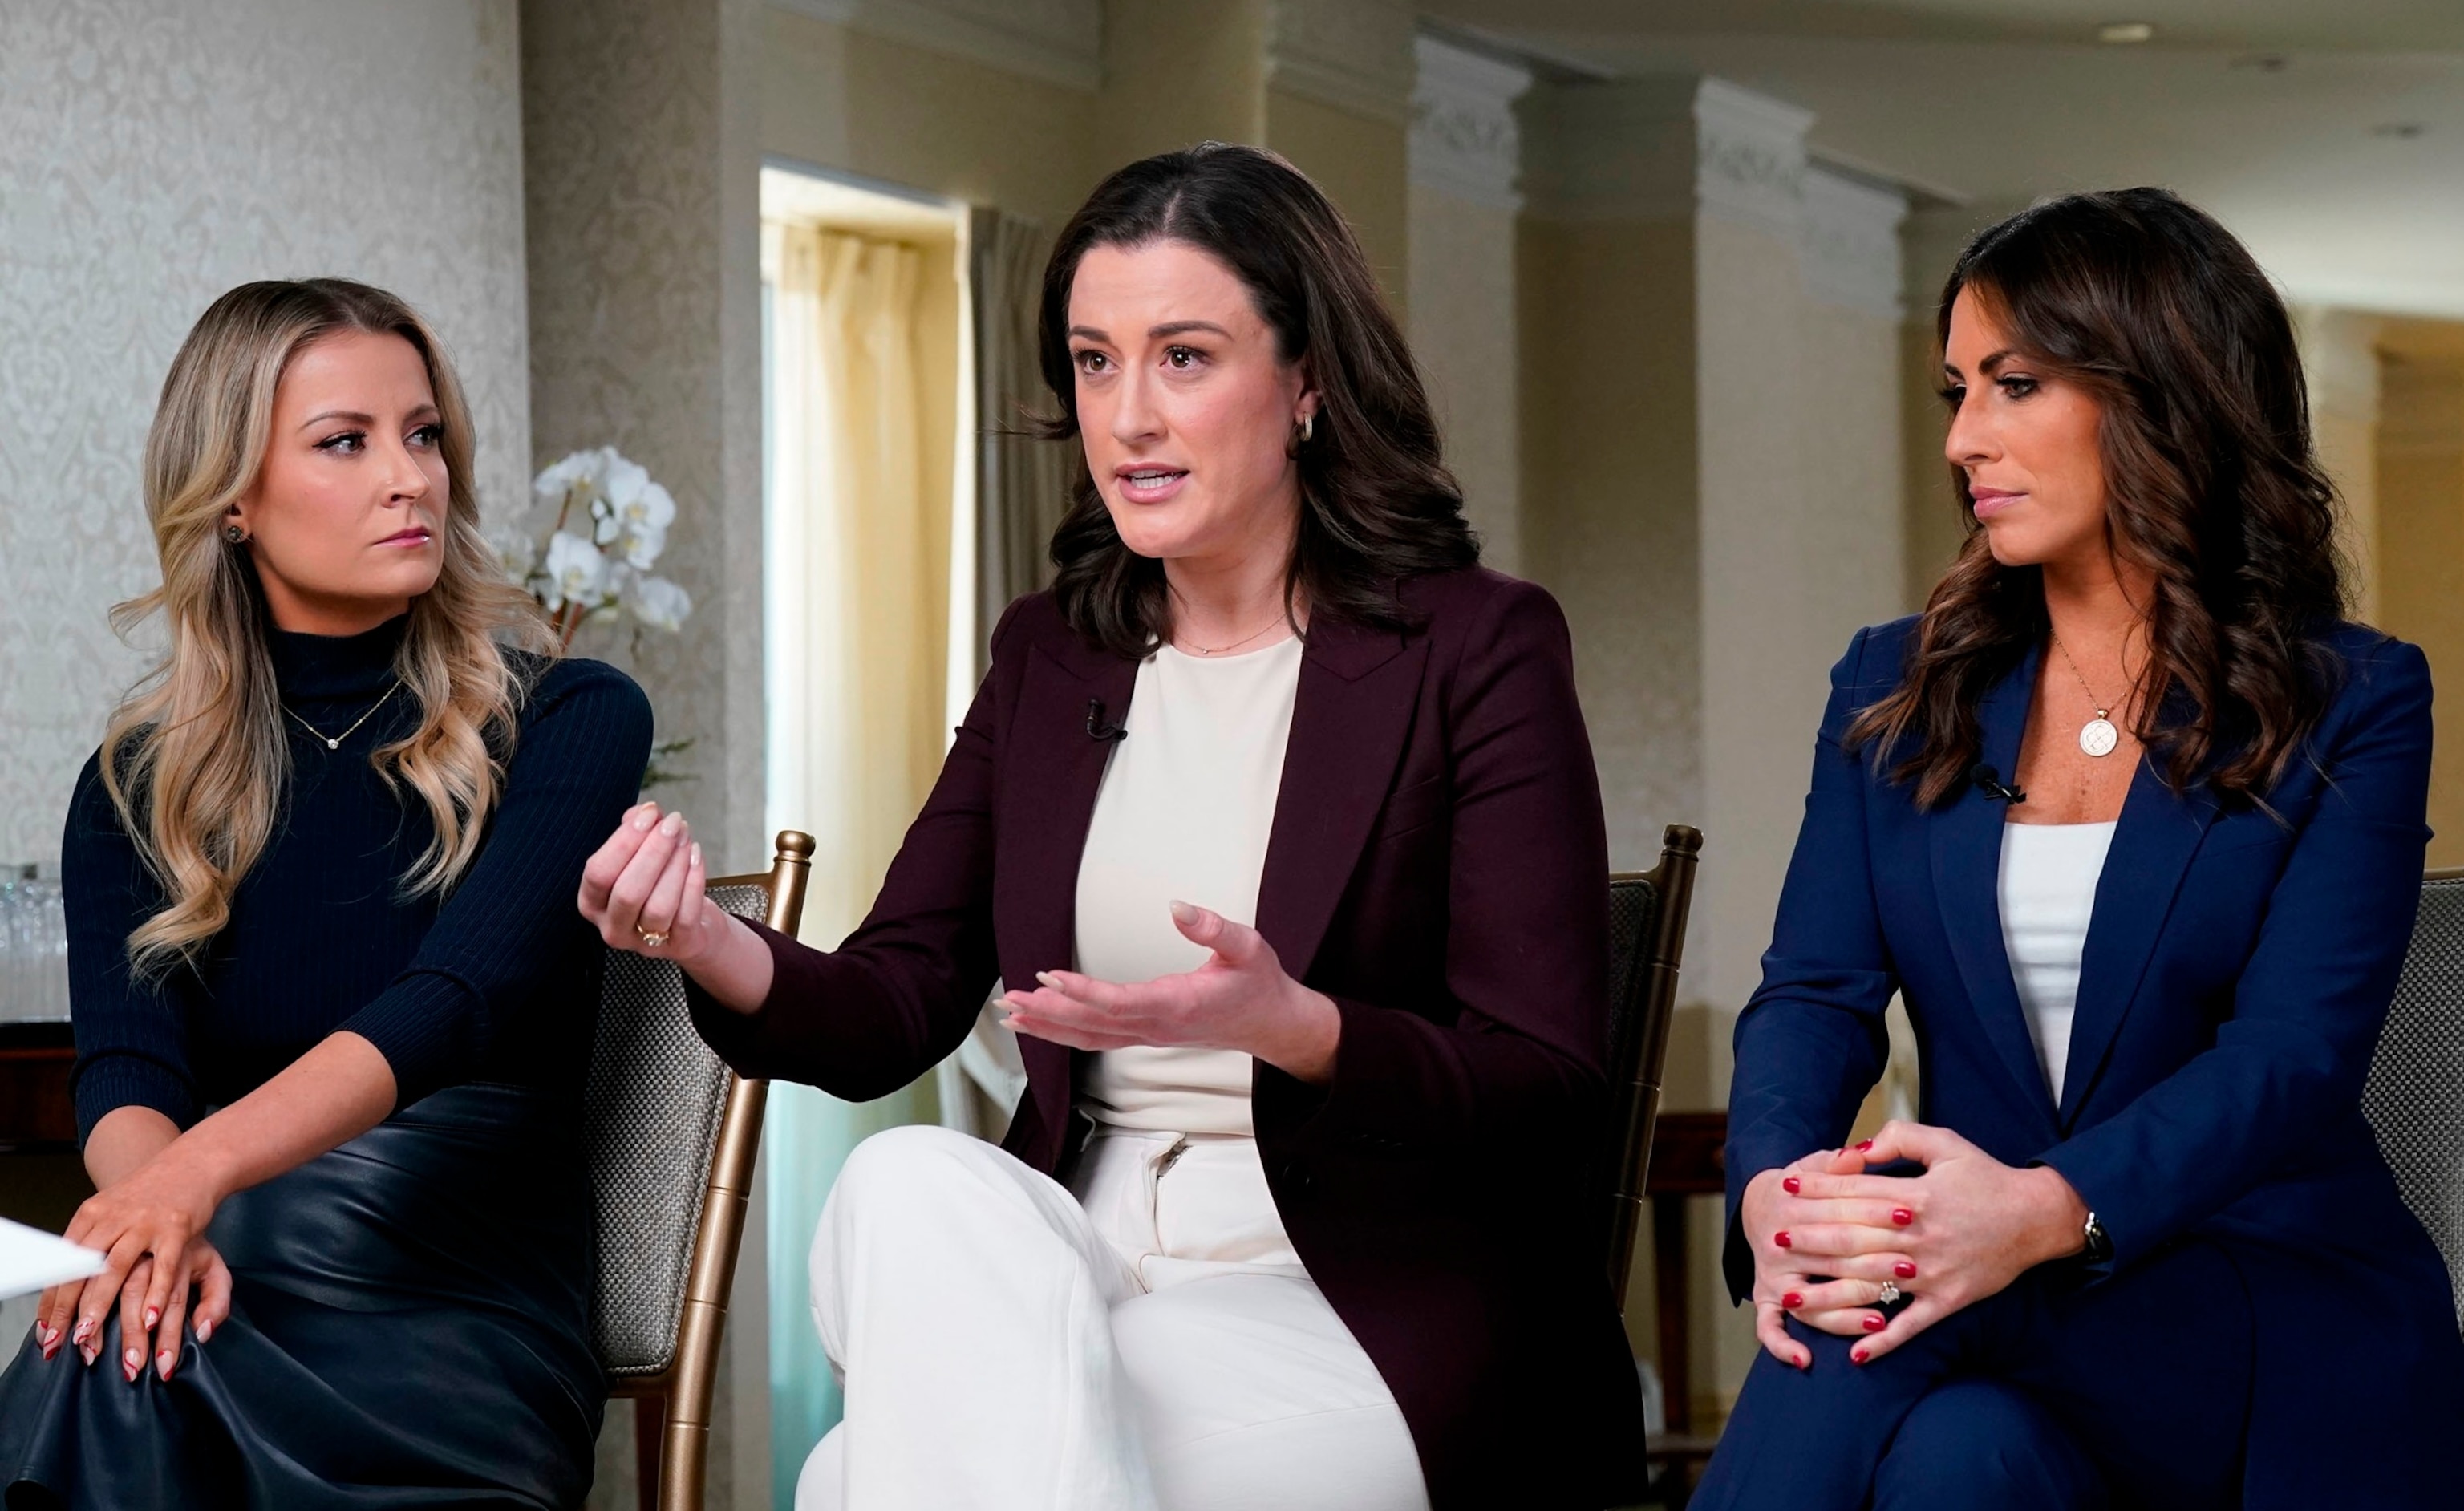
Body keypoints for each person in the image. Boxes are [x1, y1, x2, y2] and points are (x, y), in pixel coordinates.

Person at [578, 143, 1643, 1510]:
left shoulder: (1475, 647)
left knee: (859, 1476)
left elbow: (1549, 1086)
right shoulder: (1051, 656)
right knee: (905, 1180)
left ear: (1308, 381)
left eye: (1185, 357)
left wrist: (1295, 1026)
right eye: (1094, 362)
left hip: (1357, 1294)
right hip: (1077, 1250)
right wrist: (706, 942)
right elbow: (897, 999)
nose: (1128, 415)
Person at [1693, 188, 2464, 1509]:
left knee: (1868, 1309)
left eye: (2016, 385)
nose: (1964, 439)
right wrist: (1775, 1192)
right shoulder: (1897, 684)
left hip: (2258, 1302)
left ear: (2162, 396)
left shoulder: (2354, 697)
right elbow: (1814, 995)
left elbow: (2295, 1059)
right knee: (1958, 1461)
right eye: (1958, 391)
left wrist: (2043, 1211)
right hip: (1984, 1306)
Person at [0, 278, 650, 1509]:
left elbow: (458, 1000)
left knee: (109, 1361)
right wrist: (152, 1214)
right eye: (346, 443)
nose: (411, 477)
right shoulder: (138, 783)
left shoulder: (570, 717)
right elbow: (128, 1073)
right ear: (234, 499)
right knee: (119, 1337)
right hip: (230, 1258)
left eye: (424, 435)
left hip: (457, 1290)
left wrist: (188, 1186)